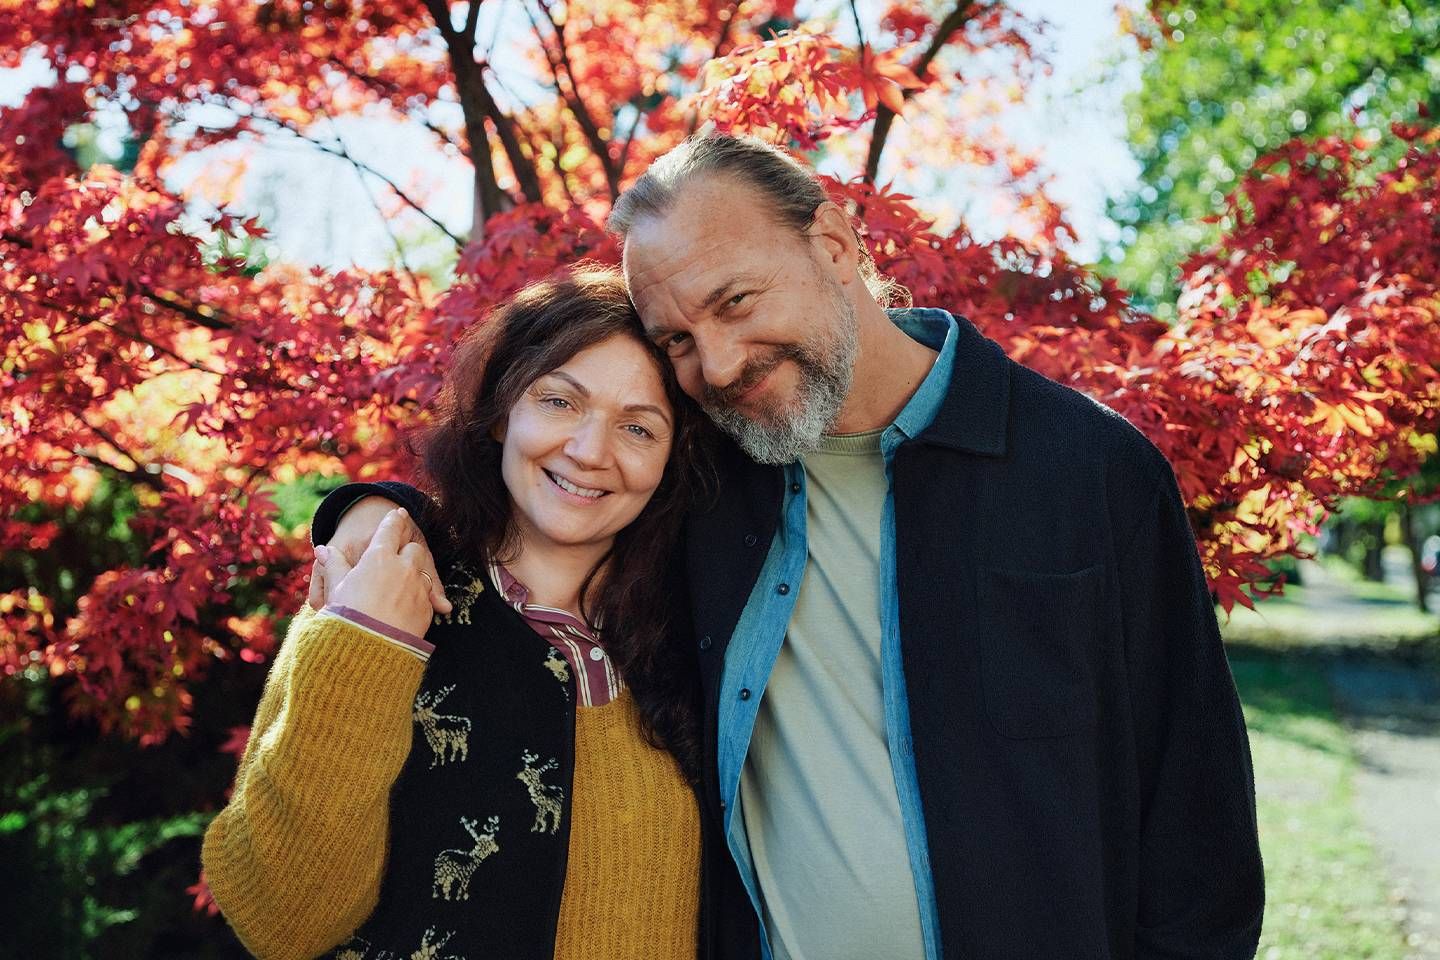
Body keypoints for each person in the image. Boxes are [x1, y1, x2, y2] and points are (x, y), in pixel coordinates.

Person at [321, 135, 1266, 960]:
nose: (720, 364)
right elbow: (540, 507)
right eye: (679, 340)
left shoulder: (1087, 467)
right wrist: (375, 515)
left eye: (736, 301)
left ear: (835, 244)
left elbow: (1198, 822)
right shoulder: (708, 472)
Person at [202, 266, 718, 960]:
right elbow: (282, 921)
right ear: (504, 409)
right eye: (560, 402)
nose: (591, 452)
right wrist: (365, 639)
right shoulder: (381, 590)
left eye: (637, 427)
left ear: (669, 460)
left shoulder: (698, 645)